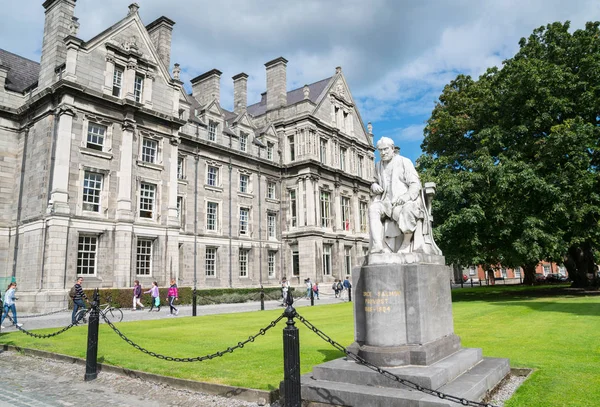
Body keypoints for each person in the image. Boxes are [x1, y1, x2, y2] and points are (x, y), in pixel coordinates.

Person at [369, 137, 440, 255]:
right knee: (373, 208)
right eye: (380, 150)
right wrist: (374, 185)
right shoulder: (378, 165)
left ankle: (406, 243)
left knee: (406, 210)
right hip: (386, 202)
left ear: (392, 149)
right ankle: (378, 246)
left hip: (404, 201)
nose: (383, 153)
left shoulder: (404, 162)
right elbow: (374, 181)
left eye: (385, 149)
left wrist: (406, 197)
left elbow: (415, 184)